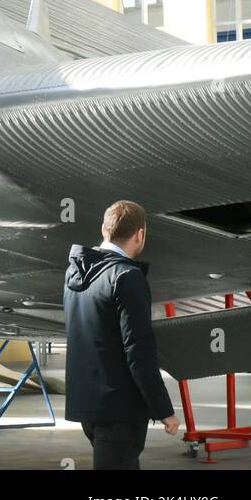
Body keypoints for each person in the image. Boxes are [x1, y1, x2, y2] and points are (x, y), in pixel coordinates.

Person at [64, 200, 179, 469]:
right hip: (120, 410)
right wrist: (164, 410)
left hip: (89, 408)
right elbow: (139, 352)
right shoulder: (126, 277)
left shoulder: (76, 271)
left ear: (104, 229)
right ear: (140, 234)